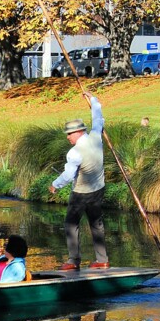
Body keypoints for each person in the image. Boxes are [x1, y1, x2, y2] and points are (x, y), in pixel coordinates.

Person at [49, 93, 110, 271]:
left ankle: (73, 261)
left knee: (71, 224)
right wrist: (93, 100)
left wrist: (55, 184)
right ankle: (102, 260)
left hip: (81, 193)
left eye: (69, 134)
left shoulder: (74, 152)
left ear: (78, 132)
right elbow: (98, 118)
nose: (68, 137)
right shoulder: (96, 137)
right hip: (99, 189)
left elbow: (68, 176)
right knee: (96, 224)